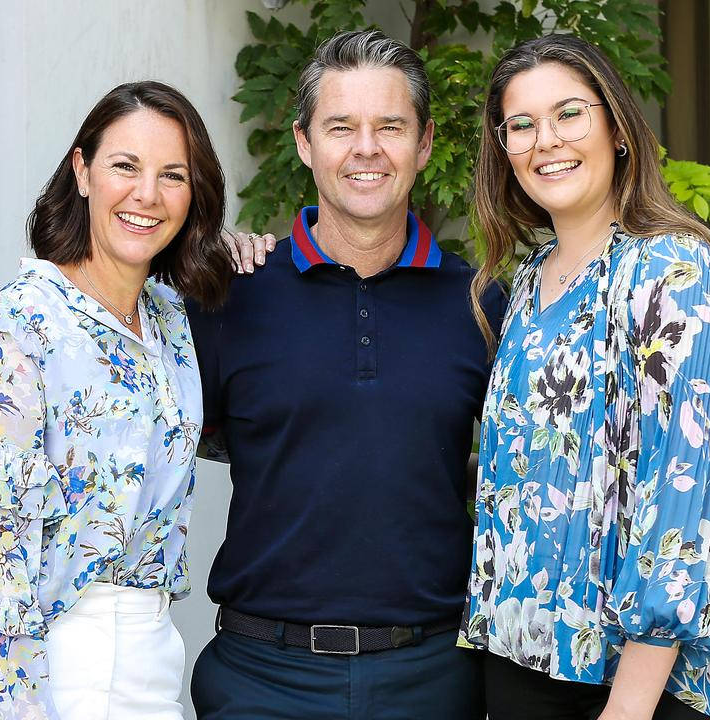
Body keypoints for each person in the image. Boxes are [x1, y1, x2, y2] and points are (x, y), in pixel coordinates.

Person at [187, 30, 505, 719]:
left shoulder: (479, 306)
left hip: (430, 679)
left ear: (422, 146)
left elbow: (564, 457)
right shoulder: (230, 296)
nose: (366, 148)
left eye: (390, 126)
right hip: (259, 681)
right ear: (305, 143)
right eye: (341, 127)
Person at [459, 34, 710, 720]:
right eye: (522, 125)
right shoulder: (529, 284)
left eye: (570, 113)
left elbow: (682, 510)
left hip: (643, 687)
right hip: (524, 664)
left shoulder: (674, 271)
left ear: (617, 128)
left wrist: (625, 710)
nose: (547, 141)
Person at [0, 80, 232, 720]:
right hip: (48, 662)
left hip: (153, 654)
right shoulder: (16, 326)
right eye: (125, 166)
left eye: (172, 175)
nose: (146, 195)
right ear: (83, 170)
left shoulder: (172, 323)